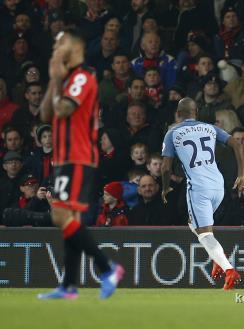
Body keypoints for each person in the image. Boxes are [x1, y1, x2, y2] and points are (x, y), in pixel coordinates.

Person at [37, 29, 123, 300]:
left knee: (60, 216)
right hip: (64, 157)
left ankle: (107, 268)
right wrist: (53, 80)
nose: (55, 50)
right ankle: (69, 285)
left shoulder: (82, 77)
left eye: (59, 45)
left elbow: (62, 109)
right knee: (69, 219)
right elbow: (44, 113)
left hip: (78, 156)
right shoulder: (64, 80)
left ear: (74, 49)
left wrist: (55, 78)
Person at [161, 97, 244, 290]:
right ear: (196, 112)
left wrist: (166, 187)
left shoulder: (173, 133)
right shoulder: (210, 128)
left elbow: (165, 167)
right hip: (219, 185)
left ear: (178, 114)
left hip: (198, 188)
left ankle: (229, 270)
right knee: (195, 224)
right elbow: (237, 144)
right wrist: (241, 174)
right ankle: (217, 258)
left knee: (204, 234)